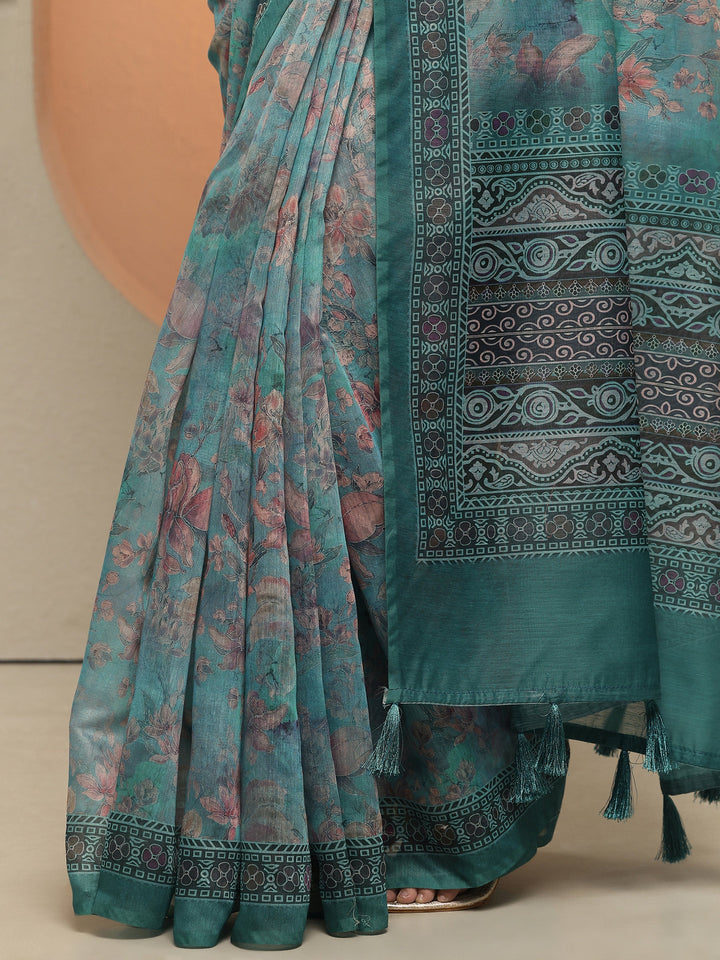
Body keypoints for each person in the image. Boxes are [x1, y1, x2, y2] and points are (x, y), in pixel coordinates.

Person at [66, 0, 720, 949]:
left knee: (459, 386)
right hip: (337, 25)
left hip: (507, 35)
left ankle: (450, 803)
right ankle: (328, 804)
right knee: (298, 357)